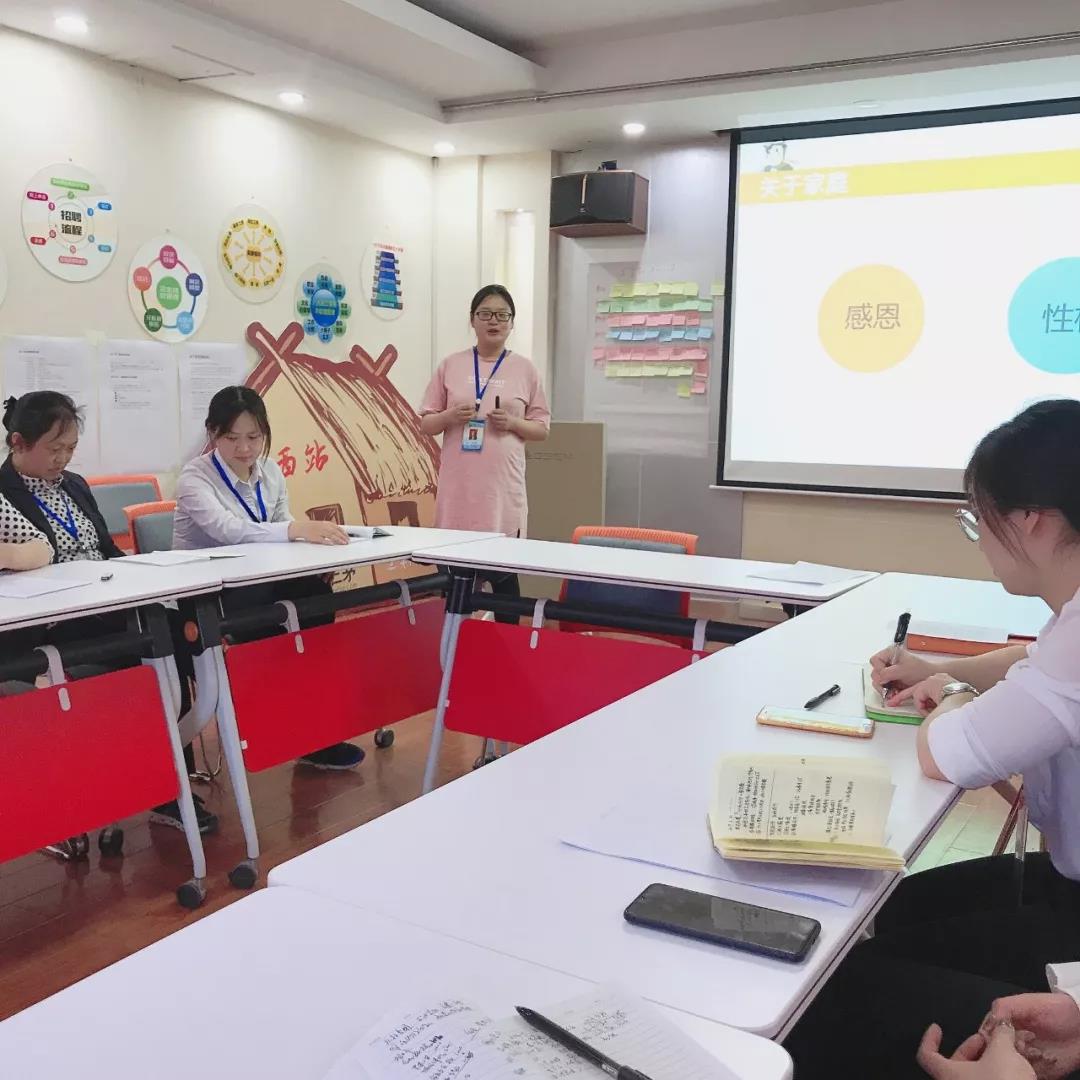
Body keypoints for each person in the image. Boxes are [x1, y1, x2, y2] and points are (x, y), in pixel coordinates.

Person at [785, 400, 1080, 1078]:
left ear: (1031, 520)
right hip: (1062, 883)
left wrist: (951, 696)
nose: (979, 540)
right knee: (894, 908)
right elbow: (1034, 663)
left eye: (978, 519)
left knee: (833, 990)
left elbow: (944, 752)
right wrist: (946, 671)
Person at [0, 391, 216, 832]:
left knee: (174, 633)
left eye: (70, 448)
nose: (63, 459)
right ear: (18, 443)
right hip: (53, 621)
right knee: (149, 650)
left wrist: (139, 573)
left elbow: (105, 549)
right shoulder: (5, 494)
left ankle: (170, 775)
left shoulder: (75, 485)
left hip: (106, 602)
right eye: (54, 449)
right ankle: (149, 778)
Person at [173, 385, 363, 771]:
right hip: (212, 594)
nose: (245, 449)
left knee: (315, 596)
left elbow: (281, 525)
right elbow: (228, 530)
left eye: (254, 437)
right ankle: (282, 719)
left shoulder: (270, 471)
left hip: (260, 584)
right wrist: (295, 530)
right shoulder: (194, 478)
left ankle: (313, 730)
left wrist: (311, 542)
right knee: (282, 632)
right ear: (212, 433)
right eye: (232, 438)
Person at [419, 284, 550, 622]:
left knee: (504, 581)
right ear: (472, 320)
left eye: (502, 315)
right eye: (486, 314)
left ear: (512, 323)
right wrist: (449, 417)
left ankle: (507, 644)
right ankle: (455, 643)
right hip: (459, 493)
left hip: (502, 493)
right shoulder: (451, 365)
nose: (494, 321)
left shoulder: (525, 369)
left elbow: (542, 429)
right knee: (456, 582)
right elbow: (426, 424)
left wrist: (514, 423)